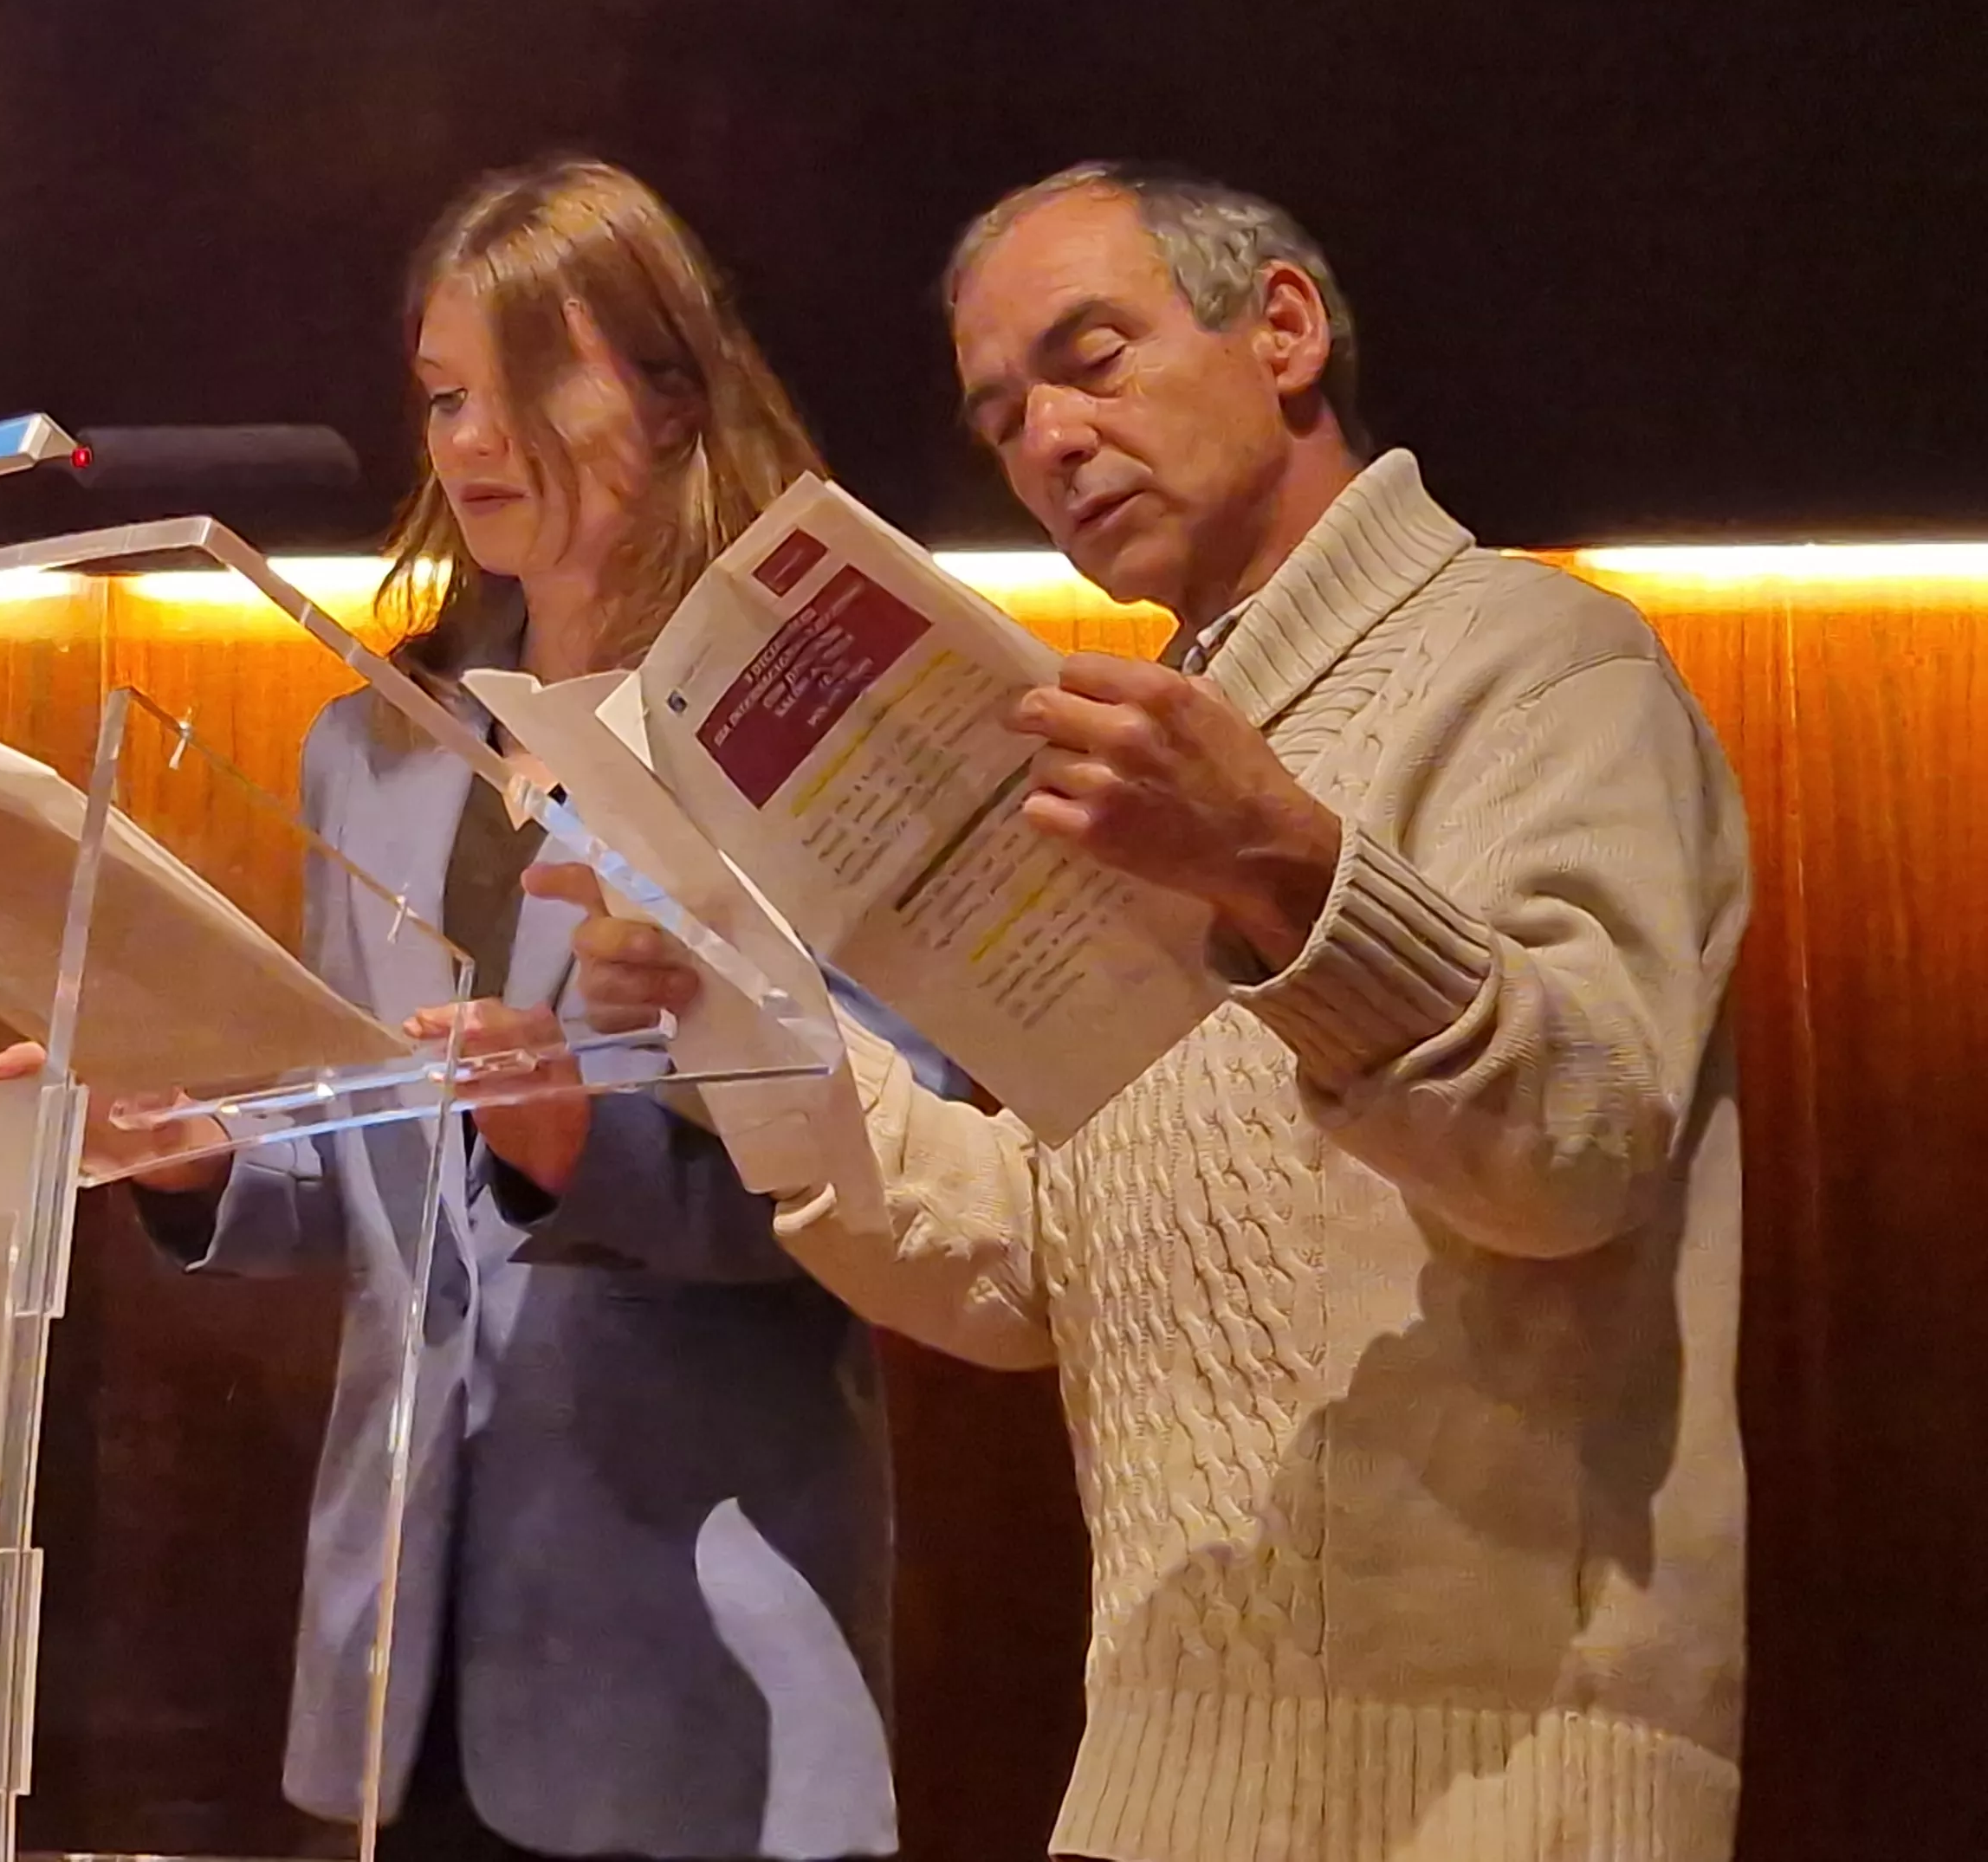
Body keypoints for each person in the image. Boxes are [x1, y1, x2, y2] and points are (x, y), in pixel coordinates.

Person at [528, 163, 1752, 1862]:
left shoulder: (1536, 661)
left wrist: (1288, 878)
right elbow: (1033, 1261)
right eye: (998, 413)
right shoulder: (1148, 749)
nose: (1042, 438)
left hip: (1501, 1790)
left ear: (1281, 329)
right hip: (1153, 1781)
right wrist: (740, 1017)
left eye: (1085, 356)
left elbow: (1574, 1146)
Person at [0, 156, 956, 1861]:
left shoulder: (798, 730)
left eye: (525, 386)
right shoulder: (372, 742)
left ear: (672, 394)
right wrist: (193, 1151)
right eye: (443, 395)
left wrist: (582, 1150)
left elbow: (928, 1161)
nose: (467, 442)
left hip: (691, 1662)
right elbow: (373, 1176)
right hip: (392, 1656)